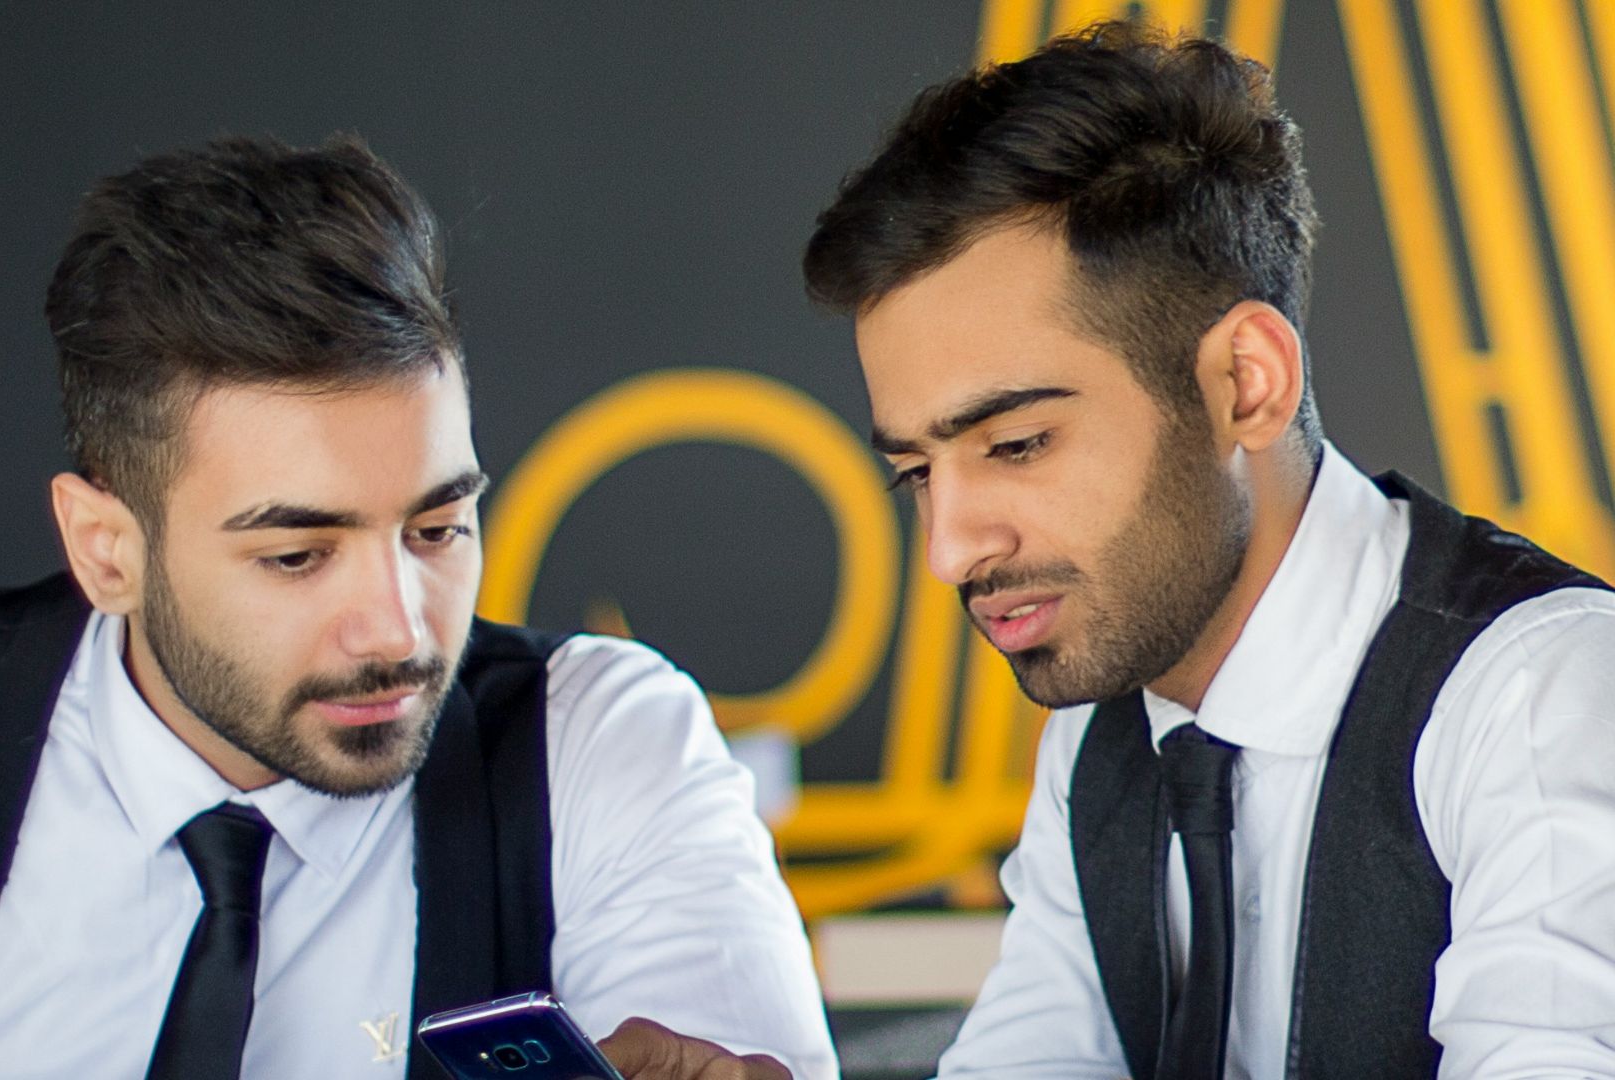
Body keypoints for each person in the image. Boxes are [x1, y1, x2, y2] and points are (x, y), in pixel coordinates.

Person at [0, 135, 832, 1080]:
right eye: (297, 554)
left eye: (437, 530)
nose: (397, 629)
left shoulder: (598, 738)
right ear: (107, 552)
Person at [637, 16, 1615, 1080]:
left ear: (1246, 382)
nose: (951, 550)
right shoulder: (1106, 729)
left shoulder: (1540, 698)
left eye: (1016, 444)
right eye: (918, 473)